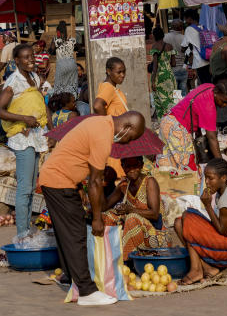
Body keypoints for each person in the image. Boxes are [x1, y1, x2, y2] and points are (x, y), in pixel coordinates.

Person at [38, 111, 146, 307]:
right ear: (126, 128)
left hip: (57, 179)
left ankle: (72, 278)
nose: (125, 143)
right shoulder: (103, 134)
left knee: (67, 232)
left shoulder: (100, 123)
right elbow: (95, 181)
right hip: (59, 181)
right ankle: (87, 291)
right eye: (130, 138)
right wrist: (97, 217)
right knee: (76, 233)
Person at [0, 43, 48, 235]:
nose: (31, 60)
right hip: (22, 137)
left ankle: (27, 229)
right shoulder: (13, 82)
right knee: (24, 188)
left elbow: (40, 102)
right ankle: (22, 233)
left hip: (36, 134)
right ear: (17, 61)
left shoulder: (34, 78)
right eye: (26, 57)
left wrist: (51, 128)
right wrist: (24, 119)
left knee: (32, 187)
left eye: (32, 56)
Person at [173, 158, 227, 284]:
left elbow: (223, 231)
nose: (208, 183)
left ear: (223, 178)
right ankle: (206, 267)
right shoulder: (222, 193)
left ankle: (196, 270)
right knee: (179, 223)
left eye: (211, 178)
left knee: (188, 216)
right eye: (206, 178)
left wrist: (208, 206)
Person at [157, 79, 227, 172]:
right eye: (223, 101)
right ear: (216, 92)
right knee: (188, 167)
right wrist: (221, 165)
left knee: (168, 162)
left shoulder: (209, 86)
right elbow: (212, 138)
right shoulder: (209, 107)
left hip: (167, 122)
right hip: (177, 129)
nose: (224, 105)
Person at [102, 156, 170, 260]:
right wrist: (98, 182)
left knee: (132, 218)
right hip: (137, 230)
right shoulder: (124, 184)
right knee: (108, 216)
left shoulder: (149, 182)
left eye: (135, 165)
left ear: (141, 165)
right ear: (123, 167)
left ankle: (125, 261)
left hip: (157, 235)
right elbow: (104, 206)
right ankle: (109, 257)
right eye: (128, 166)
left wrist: (130, 210)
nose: (132, 169)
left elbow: (154, 214)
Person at [149, 27, 178, 118]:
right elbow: (173, 63)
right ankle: (174, 118)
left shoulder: (155, 47)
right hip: (170, 75)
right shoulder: (170, 46)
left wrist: (153, 81)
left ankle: (164, 122)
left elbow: (155, 67)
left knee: (161, 100)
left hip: (160, 77)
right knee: (173, 98)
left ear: (154, 36)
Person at [182, 10, 210, 85]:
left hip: (199, 62)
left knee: (204, 85)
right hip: (208, 59)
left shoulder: (189, 29)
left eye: (185, 19)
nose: (185, 21)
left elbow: (183, 47)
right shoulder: (203, 27)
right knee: (210, 82)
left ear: (190, 18)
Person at [51, 21, 78, 98]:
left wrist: (58, 46)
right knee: (72, 84)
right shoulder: (71, 40)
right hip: (72, 63)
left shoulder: (56, 40)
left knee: (59, 85)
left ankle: (59, 102)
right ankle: (73, 100)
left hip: (61, 64)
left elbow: (51, 51)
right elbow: (79, 49)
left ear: (58, 32)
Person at [164, 20, 188, 94]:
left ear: (171, 26)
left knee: (175, 93)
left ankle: (177, 105)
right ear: (181, 28)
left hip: (171, 68)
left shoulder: (165, 37)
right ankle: (184, 105)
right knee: (183, 91)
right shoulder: (185, 38)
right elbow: (188, 53)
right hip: (183, 68)